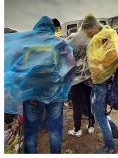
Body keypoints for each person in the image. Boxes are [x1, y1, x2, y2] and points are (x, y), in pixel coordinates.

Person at [4, 16, 76, 153]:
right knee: (55, 129)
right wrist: (62, 84)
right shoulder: (60, 43)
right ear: (52, 28)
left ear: (36, 27)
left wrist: (22, 82)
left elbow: (14, 66)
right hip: (55, 92)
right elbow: (72, 65)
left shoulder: (26, 43)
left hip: (31, 93)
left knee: (30, 130)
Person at [84, 13, 118, 154]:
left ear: (95, 28)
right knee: (96, 112)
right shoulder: (103, 36)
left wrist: (101, 67)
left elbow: (117, 55)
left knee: (99, 116)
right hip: (100, 82)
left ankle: (109, 147)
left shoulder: (105, 37)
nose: (88, 35)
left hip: (102, 83)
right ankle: (115, 131)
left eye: (89, 32)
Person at [65, 25, 96, 137]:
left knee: (77, 103)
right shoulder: (91, 38)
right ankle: (91, 126)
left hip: (76, 77)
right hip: (89, 76)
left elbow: (64, 52)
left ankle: (77, 129)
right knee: (90, 101)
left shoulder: (72, 38)